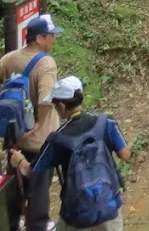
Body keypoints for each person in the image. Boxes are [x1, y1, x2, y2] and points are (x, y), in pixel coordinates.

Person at [8, 76, 130, 231]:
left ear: (61, 105)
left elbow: (32, 171)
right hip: (109, 206)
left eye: (55, 105)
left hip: (76, 214)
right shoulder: (106, 122)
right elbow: (126, 154)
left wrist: (18, 160)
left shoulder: (58, 138)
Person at [0, 13, 63, 231]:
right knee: (39, 186)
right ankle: (38, 226)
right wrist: (38, 124)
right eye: (50, 35)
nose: (53, 39)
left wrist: (2, 100)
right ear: (38, 38)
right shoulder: (46, 63)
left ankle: (15, 224)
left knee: (15, 183)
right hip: (39, 141)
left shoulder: (11, 58)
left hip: (13, 137)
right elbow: (46, 100)